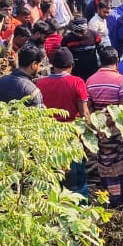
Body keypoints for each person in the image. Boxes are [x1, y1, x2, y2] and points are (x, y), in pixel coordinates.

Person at [86, 46, 123, 207]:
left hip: (100, 129)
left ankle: (112, 196)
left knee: (106, 162)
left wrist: (98, 126)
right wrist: (113, 122)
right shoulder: (121, 80)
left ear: (100, 61)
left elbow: (88, 108)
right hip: (118, 129)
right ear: (116, 61)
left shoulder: (90, 81)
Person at [37, 48, 90, 196]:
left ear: (53, 65)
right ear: (71, 65)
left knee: (54, 175)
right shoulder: (77, 82)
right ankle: (79, 208)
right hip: (71, 135)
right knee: (76, 177)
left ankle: (55, 208)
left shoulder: (41, 83)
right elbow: (85, 113)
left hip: (50, 136)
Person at [0, 44, 45, 116]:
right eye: (39, 65)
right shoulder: (34, 92)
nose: (39, 69)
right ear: (34, 64)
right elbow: (38, 122)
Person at [62, 16, 102, 81]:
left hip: (92, 68)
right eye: (77, 33)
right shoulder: (67, 39)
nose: (80, 35)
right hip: (76, 71)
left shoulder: (94, 35)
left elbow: (101, 50)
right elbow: (65, 55)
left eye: (82, 32)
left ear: (86, 29)